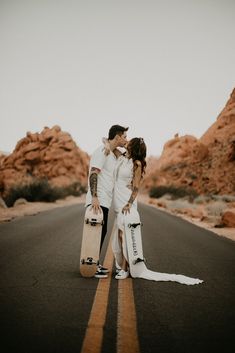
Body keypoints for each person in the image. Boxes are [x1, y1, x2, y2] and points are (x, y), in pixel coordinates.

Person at [109, 137, 203, 285]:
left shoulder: (137, 164)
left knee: (124, 234)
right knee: (119, 236)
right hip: (118, 200)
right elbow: (111, 148)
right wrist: (116, 142)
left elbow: (136, 187)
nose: (128, 144)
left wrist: (129, 203)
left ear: (134, 148)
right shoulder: (123, 158)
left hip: (126, 202)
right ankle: (122, 266)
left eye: (130, 143)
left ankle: (125, 268)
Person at [85, 125, 128, 278]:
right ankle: (91, 265)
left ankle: (95, 263)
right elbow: (94, 173)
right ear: (117, 136)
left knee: (101, 233)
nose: (126, 139)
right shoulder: (102, 151)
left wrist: (122, 145)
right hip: (98, 199)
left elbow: (128, 156)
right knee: (96, 234)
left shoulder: (112, 153)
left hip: (105, 200)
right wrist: (94, 196)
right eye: (124, 137)